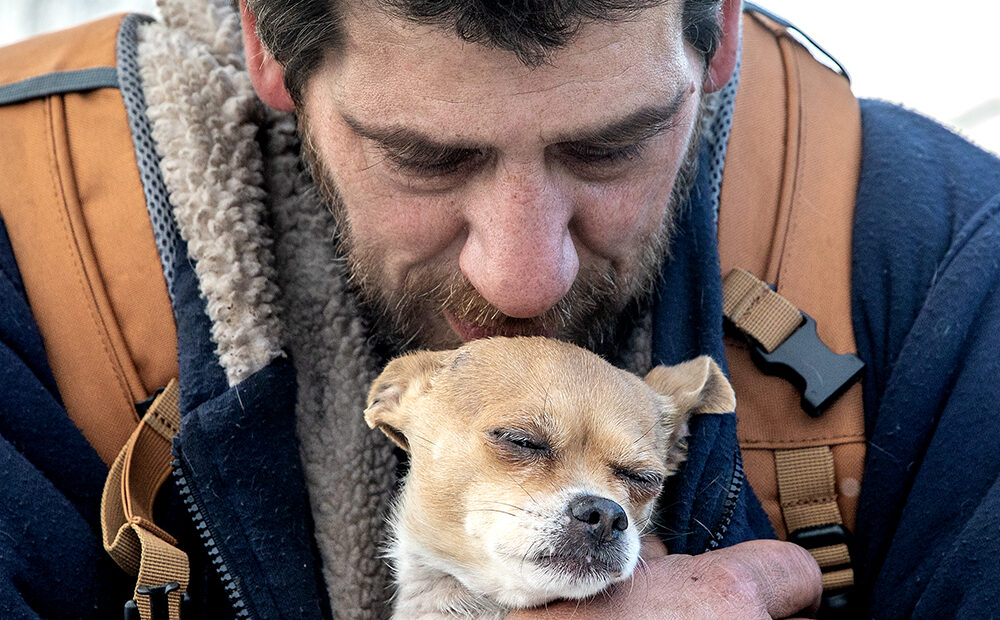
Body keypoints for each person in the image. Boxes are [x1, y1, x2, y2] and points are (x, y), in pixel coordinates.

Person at [0, 0, 997, 618]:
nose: (524, 278)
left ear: (720, 30)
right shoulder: (32, 242)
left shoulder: (934, 260)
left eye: (610, 148)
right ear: (270, 45)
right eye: (423, 156)